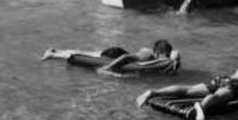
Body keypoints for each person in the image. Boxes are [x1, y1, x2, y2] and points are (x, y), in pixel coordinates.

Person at [136, 39, 238, 120]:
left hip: (224, 79)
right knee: (218, 96)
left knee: (188, 90)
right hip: (237, 85)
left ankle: (153, 92)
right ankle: (201, 106)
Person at [41, 40, 180, 74]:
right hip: (114, 55)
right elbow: (125, 57)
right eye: (164, 55)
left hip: (117, 52)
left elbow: (175, 54)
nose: (166, 57)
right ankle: (53, 54)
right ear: (157, 53)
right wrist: (108, 68)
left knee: (86, 52)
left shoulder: (155, 53)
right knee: (86, 55)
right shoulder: (147, 56)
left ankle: (56, 51)